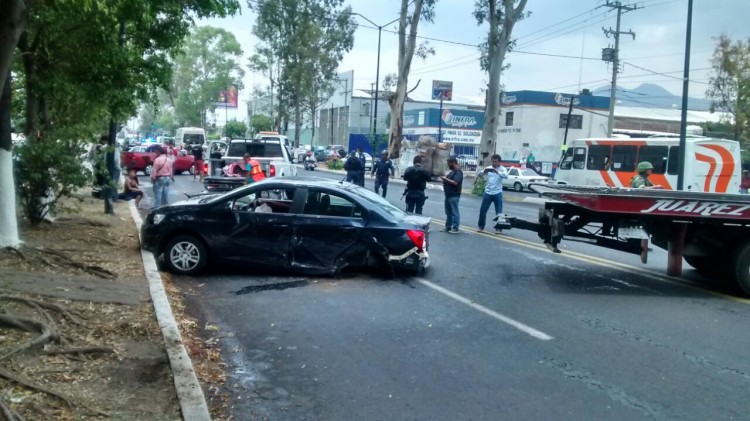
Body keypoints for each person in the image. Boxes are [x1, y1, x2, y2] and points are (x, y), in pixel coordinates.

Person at [477, 154, 508, 233]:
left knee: (499, 212)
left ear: (499, 162)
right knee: (483, 210)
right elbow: (479, 174)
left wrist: (497, 172)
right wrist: (484, 171)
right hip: (488, 192)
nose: (494, 163)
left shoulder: (502, 169)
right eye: (493, 161)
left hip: (497, 192)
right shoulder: (489, 168)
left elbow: (506, 176)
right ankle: (481, 226)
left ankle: (499, 228)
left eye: (496, 162)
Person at [440, 156, 463, 233]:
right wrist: (445, 180)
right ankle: (448, 226)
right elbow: (448, 180)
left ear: (453, 163)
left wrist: (445, 179)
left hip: (454, 195)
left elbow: (455, 182)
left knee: (454, 212)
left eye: (449, 163)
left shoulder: (458, 172)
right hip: (448, 194)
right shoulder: (452, 171)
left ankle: (455, 227)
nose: (448, 165)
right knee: (448, 212)